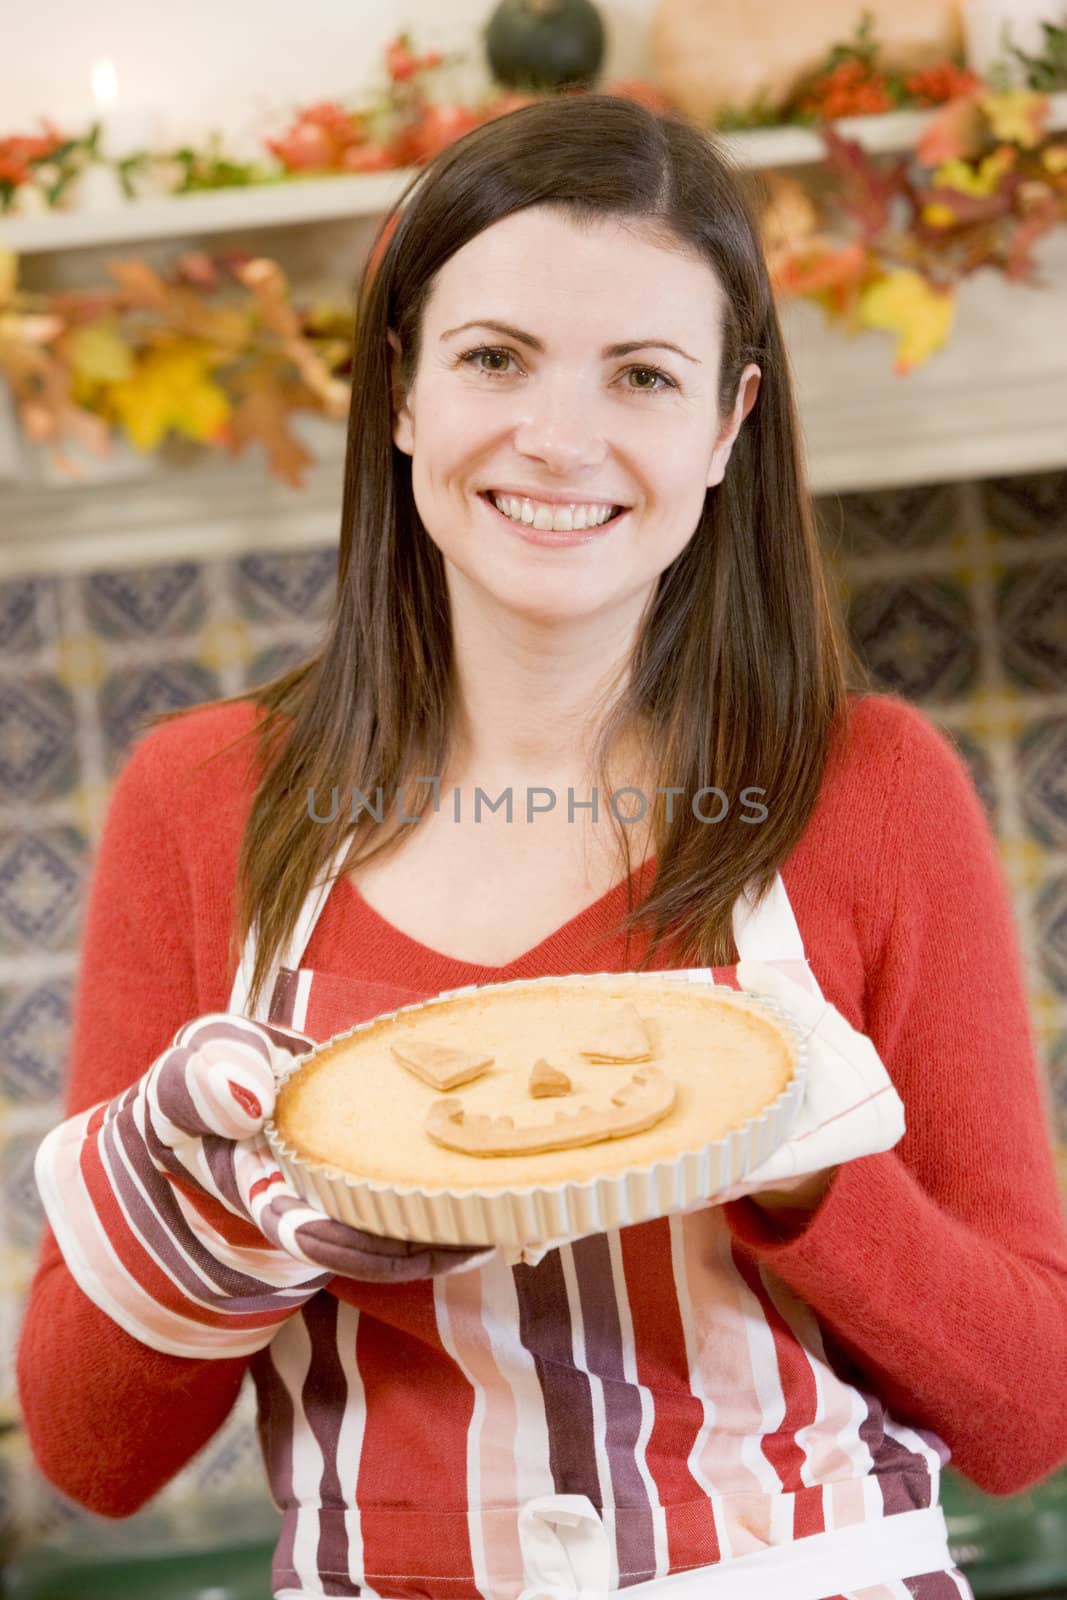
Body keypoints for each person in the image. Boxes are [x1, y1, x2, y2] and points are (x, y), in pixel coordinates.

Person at [16, 94, 1067, 1600]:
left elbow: (1030, 1414)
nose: (556, 438)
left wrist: (796, 1166)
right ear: (400, 394)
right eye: (495, 358)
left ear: (727, 429)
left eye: (642, 375)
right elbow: (87, 1455)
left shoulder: (869, 789)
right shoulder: (205, 801)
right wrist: (224, 1196)